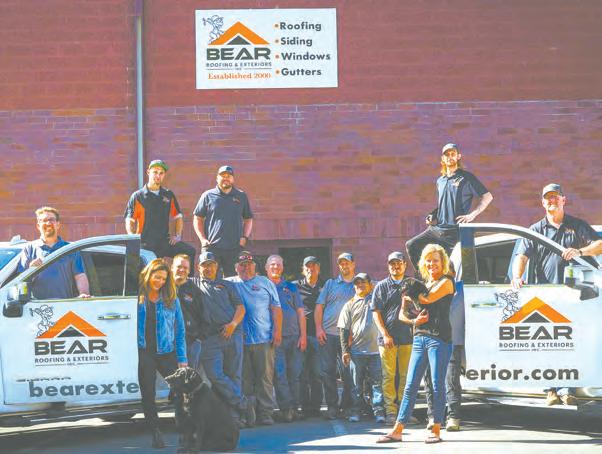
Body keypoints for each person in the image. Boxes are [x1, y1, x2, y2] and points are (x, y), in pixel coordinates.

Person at [511, 183, 599, 406]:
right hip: (544, 296)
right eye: (548, 198)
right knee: (547, 345)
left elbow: (599, 245)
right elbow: (521, 256)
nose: (552, 201)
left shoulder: (577, 226)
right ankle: (550, 389)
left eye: (555, 197)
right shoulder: (535, 230)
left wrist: (580, 251)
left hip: (573, 296)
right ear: (542, 202)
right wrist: (517, 277)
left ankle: (566, 389)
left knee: (569, 343)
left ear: (563, 200)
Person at [377, 244, 454, 445]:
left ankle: (436, 429)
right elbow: (402, 314)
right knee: (410, 384)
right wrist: (413, 320)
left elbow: (428, 299)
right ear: (423, 263)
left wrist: (411, 291)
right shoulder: (421, 283)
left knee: (437, 384)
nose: (431, 264)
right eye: (428, 260)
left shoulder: (447, 282)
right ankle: (397, 430)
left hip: (439, 338)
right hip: (419, 337)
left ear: (443, 262)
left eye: (435, 260)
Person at [406, 143, 493, 271]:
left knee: (457, 268)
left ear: (458, 156)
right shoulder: (440, 181)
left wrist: (472, 215)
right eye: (447, 154)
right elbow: (443, 204)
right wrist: (433, 215)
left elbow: (488, 196)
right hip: (437, 230)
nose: (450, 157)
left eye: (453, 154)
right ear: (443, 158)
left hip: (455, 232)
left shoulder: (466, 177)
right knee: (412, 245)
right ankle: (424, 278)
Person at [194, 251, 251, 429]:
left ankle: (235, 417)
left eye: (211, 264)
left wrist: (233, 324)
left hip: (232, 333)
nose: (208, 268)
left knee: (234, 375)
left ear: (216, 266)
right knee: (215, 375)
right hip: (210, 337)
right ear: (198, 268)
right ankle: (242, 402)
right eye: (204, 265)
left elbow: (241, 308)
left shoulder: (227, 285)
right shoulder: (193, 284)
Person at [227, 251, 282, 425]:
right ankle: (247, 414)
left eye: (249, 264)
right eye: (242, 265)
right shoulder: (229, 283)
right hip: (239, 341)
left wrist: (277, 331)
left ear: (255, 266)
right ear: (236, 267)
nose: (246, 268)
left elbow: (276, 308)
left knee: (265, 379)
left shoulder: (265, 282)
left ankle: (265, 413)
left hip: (264, 339)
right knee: (244, 380)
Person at [137, 258, 187, 449]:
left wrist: (182, 359)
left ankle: (183, 430)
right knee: (148, 394)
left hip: (166, 352)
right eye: (157, 277)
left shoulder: (171, 298)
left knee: (180, 391)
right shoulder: (138, 296)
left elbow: (180, 330)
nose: (160, 282)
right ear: (148, 275)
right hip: (145, 352)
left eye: (164, 279)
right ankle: (155, 432)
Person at [125, 159, 196, 271]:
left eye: (161, 173)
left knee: (190, 251)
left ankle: (185, 282)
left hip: (164, 242)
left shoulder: (168, 195)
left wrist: (177, 236)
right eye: (155, 172)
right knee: (151, 272)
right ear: (148, 172)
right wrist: (133, 239)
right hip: (145, 244)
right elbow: (130, 220)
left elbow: (178, 216)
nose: (158, 175)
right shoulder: (138, 196)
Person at [370, 252, 414, 425]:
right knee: (388, 376)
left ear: (405, 265)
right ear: (388, 266)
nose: (395, 266)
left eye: (399, 263)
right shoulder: (381, 286)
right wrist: (385, 334)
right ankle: (390, 412)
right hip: (387, 340)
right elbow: (376, 313)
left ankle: (404, 413)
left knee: (406, 376)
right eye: (392, 263)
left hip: (408, 337)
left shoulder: (412, 284)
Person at [338, 273, 385, 423]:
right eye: (357, 283)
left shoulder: (377, 300)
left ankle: (379, 412)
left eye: (363, 282)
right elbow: (343, 329)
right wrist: (345, 351)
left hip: (377, 351)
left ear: (370, 284)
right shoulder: (349, 304)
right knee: (356, 385)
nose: (360, 285)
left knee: (377, 384)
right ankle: (356, 411)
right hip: (357, 352)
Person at [315, 252, 356, 420]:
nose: (344, 266)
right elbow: (319, 306)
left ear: (353, 264)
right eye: (341, 263)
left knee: (348, 373)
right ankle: (332, 407)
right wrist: (319, 328)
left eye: (347, 263)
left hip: (348, 337)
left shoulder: (359, 283)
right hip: (328, 334)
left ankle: (348, 406)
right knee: (328, 372)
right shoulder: (330, 284)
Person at [266, 255, 306, 422]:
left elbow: (300, 312)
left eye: (278, 264)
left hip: (294, 337)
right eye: (272, 264)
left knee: (294, 375)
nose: (276, 267)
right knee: (280, 375)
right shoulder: (263, 286)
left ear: (282, 267)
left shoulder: (291, 287)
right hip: (275, 339)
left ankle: (295, 408)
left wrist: (303, 335)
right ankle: (286, 409)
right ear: (266, 268)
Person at [17, 206, 90, 299]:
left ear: (58, 224)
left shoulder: (70, 248)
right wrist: (31, 269)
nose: (48, 223)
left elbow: (80, 275)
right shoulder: (29, 249)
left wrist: (84, 293)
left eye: (51, 219)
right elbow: (20, 280)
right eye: (44, 220)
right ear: (38, 226)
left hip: (64, 304)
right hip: (37, 305)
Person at [193, 165, 253, 277]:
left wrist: (244, 238)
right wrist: (203, 239)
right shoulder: (207, 195)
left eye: (228, 176)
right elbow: (197, 218)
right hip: (212, 247)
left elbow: (248, 219)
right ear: (217, 178)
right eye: (223, 176)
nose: (226, 178)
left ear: (233, 179)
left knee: (233, 281)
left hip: (234, 248)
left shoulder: (241, 196)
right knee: (209, 279)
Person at [293, 256, 326, 419]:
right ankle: (305, 407)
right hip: (301, 336)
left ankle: (316, 407)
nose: (310, 269)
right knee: (301, 374)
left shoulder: (325, 285)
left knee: (317, 374)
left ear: (318, 269)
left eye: (314, 266)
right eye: (307, 267)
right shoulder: (294, 287)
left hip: (319, 336)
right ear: (303, 269)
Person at [171, 254, 205, 371]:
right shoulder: (164, 287)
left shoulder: (195, 291)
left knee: (189, 377)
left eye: (185, 268)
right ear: (172, 267)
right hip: (168, 342)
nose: (182, 270)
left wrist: (198, 339)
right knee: (170, 377)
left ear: (189, 270)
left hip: (190, 342)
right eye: (179, 266)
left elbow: (203, 315)